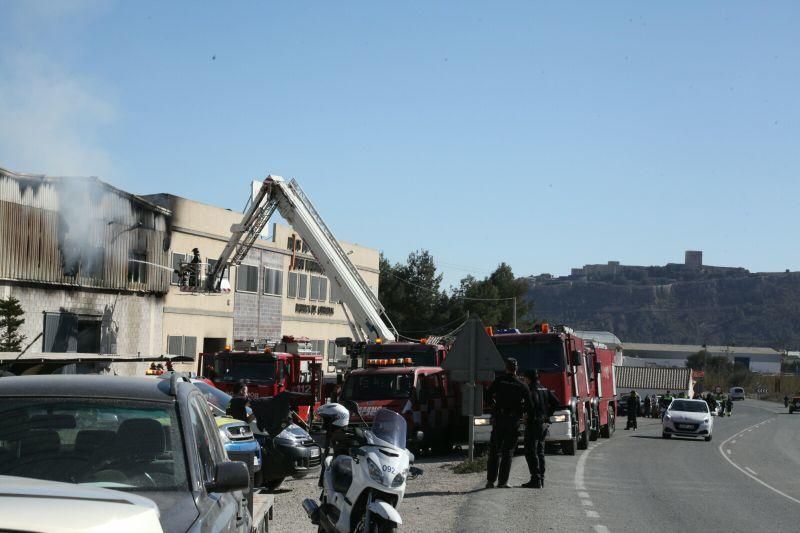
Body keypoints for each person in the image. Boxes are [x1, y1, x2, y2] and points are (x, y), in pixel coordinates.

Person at [485, 358, 532, 489]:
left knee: (494, 450)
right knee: (508, 452)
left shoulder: (499, 381)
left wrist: (494, 406)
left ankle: (490, 481)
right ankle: (502, 482)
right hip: (513, 420)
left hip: (499, 418)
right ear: (516, 369)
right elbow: (529, 404)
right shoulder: (521, 384)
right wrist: (523, 414)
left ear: (506, 368)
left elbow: (487, 395)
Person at [521, 369, 559, 489]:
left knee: (530, 452)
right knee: (540, 452)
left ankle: (535, 479)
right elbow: (556, 402)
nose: (524, 380)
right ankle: (541, 479)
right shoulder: (544, 388)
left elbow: (532, 405)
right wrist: (547, 415)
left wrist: (528, 416)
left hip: (534, 424)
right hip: (543, 424)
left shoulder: (531, 389)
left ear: (529, 378)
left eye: (524, 378)